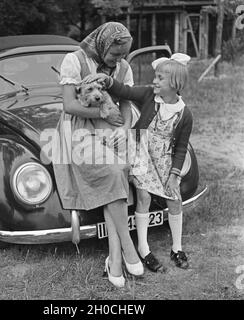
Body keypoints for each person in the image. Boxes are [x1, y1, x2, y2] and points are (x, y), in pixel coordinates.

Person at [53, 22, 144, 288]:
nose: (119, 59)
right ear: (103, 44)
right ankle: (128, 247)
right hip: (79, 128)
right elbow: (69, 105)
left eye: (123, 54)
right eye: (115, 54)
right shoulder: (74, 60)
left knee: (118, 177)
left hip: (113, 128)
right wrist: (103, 113)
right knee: (114, 172)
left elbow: (125, 103)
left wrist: (125, 128)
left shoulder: (124, 68)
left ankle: (114, 260)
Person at [86, 53, 192, 271]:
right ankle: (143, 249)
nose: (154, 81)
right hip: (139, 151)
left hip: (163, 159)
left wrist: (174, 174)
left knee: (174, 198)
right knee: (143, 196)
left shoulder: (185, 114)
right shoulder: (147, 95)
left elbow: (181, 147)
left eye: (160, 78)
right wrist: (108, 82)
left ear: (174, 83)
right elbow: (125, 91)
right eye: (156, 76)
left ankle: (177, 248)